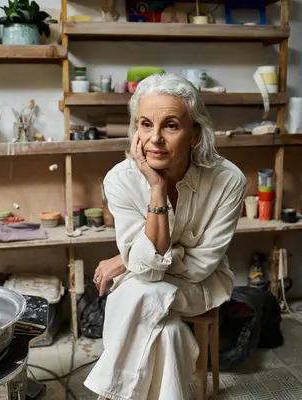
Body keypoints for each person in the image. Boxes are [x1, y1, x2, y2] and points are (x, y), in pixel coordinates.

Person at [83, 73, 247, 400]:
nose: (155, 138)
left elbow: (201, 267)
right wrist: (157, 191)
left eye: (170, 125)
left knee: (139, 290)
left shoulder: (229, 180)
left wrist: (126, 260)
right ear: (135, 131)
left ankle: (109, 394)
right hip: (146, 285)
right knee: (168, 332)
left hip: (200, 287)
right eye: (145, 124)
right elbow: (146, 266)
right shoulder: (121, 180)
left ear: (195, 135)